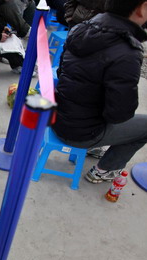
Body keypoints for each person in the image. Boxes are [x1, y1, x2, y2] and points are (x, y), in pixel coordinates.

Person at [52, 0, 147, 184]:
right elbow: (119, 114)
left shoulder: (81, 29)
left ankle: (93, 149)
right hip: (82, 133)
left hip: (58, 117)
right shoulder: (127, 51)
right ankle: (105, 169)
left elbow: (61, 72)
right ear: (141, 8)